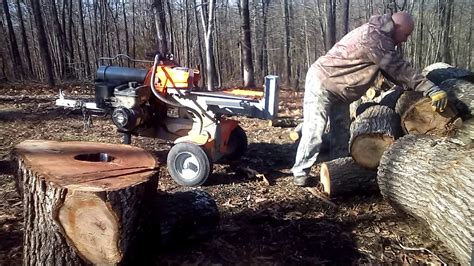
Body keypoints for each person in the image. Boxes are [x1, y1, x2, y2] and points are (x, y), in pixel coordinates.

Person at [292, 12, 448, 186]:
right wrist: (430, 88)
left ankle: (337, 169)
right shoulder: (375, 38)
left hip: (340, 88)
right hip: (323, 81)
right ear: (397, 27)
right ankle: (300, 172)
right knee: (315, 130)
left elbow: (392, 73)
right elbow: (398, 68)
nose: (405, 40)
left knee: (342, 132)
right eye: (406, 34)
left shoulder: (381, 37)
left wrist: (415, 88)